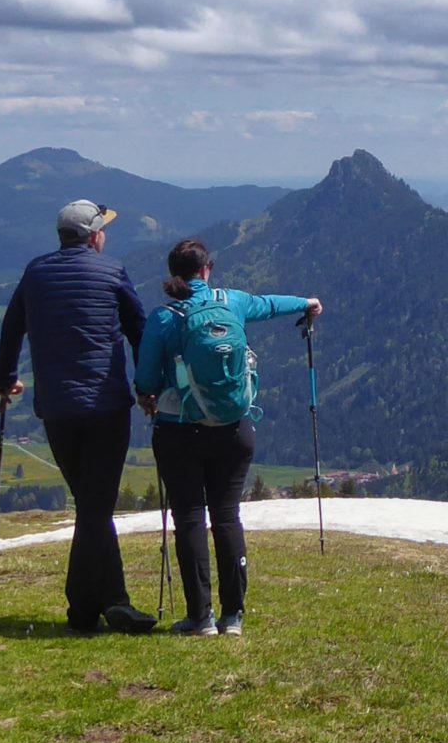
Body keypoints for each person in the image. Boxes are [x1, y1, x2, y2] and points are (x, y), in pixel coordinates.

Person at [135, 236, 320, 637]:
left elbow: (146, 379)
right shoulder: (232, 301)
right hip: (234, 430)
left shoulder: (165, 319)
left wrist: (149, 397)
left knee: (188, 517)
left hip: (180, 431)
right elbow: (270, 304)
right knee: (226, 516)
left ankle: (199, 617)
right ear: (207, 269)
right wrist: (307, 303)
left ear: (174, 276)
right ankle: (233, 615)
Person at [0, 198, 155, 636]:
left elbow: (11, 329)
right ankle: (85, 612)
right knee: (95, 506)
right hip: (106, 407)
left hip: (58, 409)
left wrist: (5, 379)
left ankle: (111, 602)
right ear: (94, 236)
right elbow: (140, 331)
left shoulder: (36, 273)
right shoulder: (113, 271)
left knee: (91, 505)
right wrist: (147, 387)